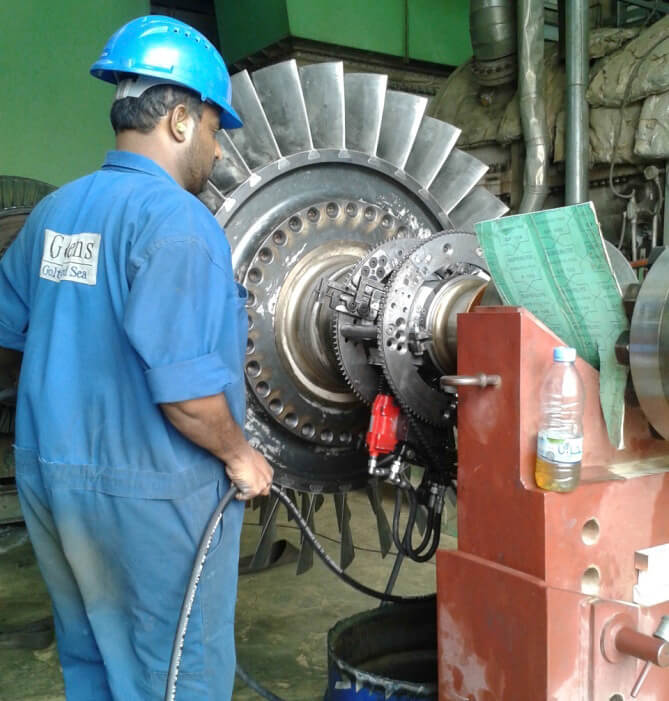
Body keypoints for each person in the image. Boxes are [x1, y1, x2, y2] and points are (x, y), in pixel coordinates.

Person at [0, 15, 273, 701]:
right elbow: (185, 397)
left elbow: (10, 337)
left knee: (93, 657)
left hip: (52, 482)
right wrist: (241, 455)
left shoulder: (53, 213)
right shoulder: (178, 223)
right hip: (154, 496)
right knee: (176, 674)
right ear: (180, 120)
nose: (215, 150)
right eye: (214, 129)